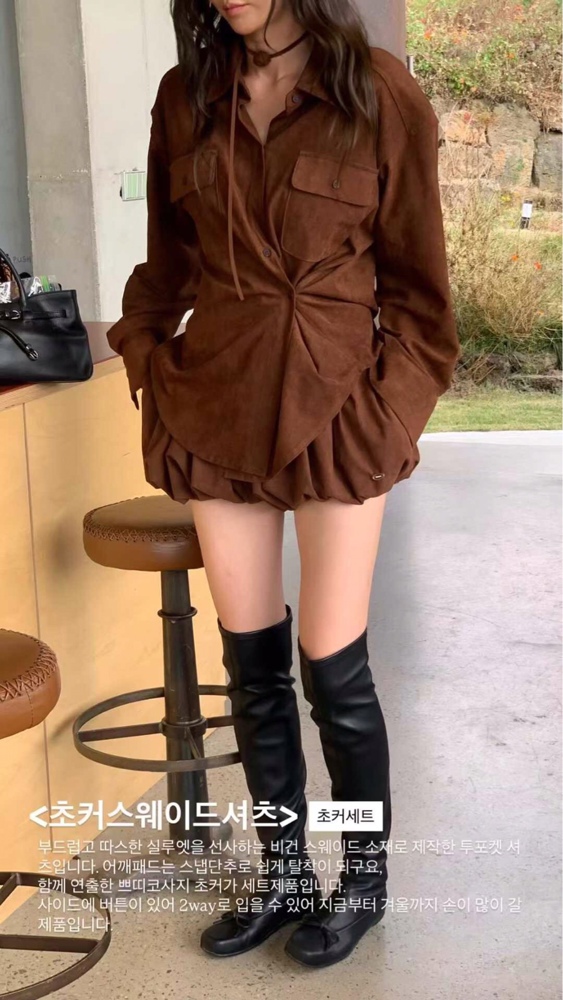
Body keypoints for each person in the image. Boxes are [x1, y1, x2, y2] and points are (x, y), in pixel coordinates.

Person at [106, 0, 461, 970]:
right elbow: (166, 264)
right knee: (251, 670)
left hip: (339, 405)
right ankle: (284, 876)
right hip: (213, 403)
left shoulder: (376, 92)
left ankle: (360, 880)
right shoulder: (187, 96)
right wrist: (149, 358)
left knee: (331, 672)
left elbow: (421, 297)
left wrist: (387, 411)